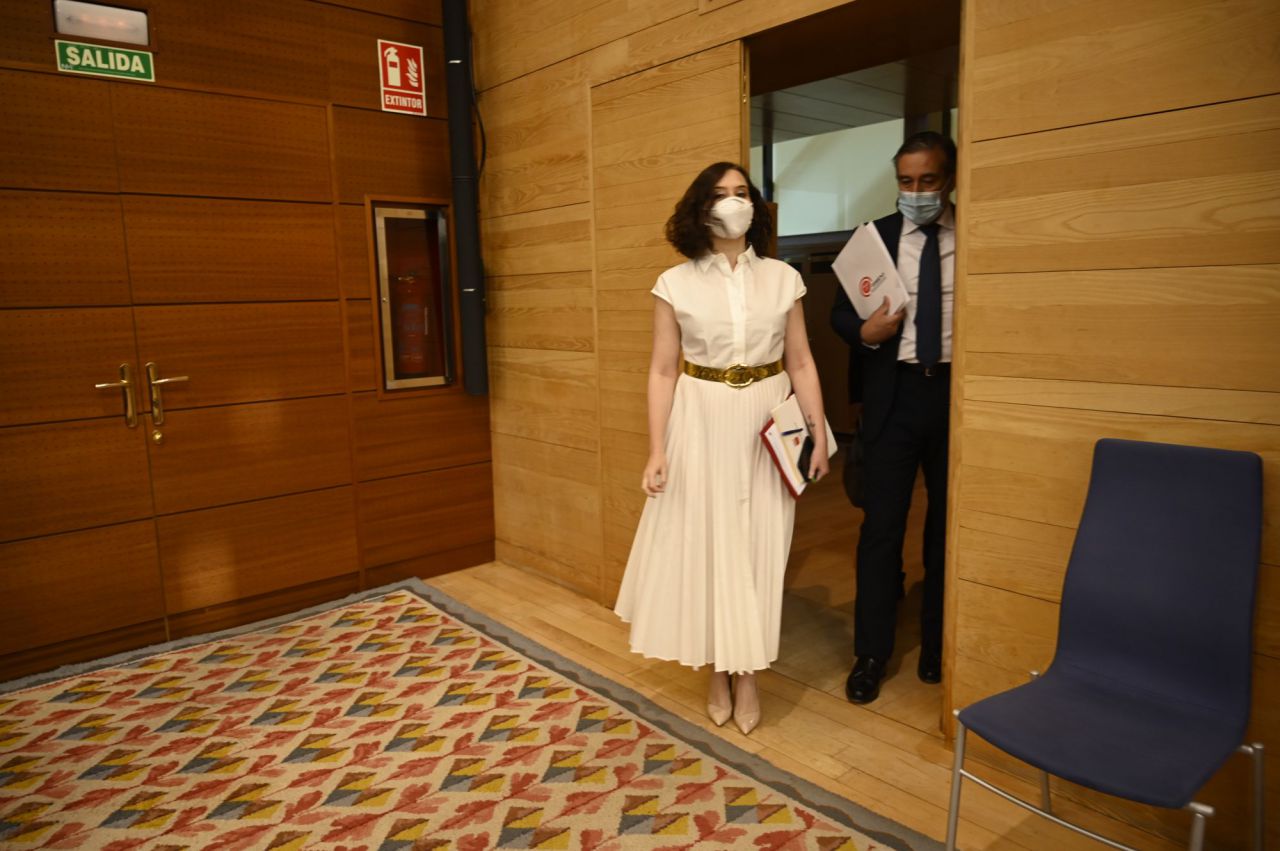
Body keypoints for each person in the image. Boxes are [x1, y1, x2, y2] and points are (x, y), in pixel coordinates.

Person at [614, 162, 829, 736]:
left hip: (768, 413)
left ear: (755, 206)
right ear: (700, 208)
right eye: (720, 195)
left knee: (761, 547)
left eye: (742, 194)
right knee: (709, 546)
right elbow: (662, 370)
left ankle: (749, 672)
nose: (734, 203)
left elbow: (802, 360)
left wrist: (818, 432)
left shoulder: (784, 278)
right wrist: (657, 449)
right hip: (700, 413)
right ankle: (716, 668)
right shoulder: (674, 283)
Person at [831, 131, 956, 704]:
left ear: (949, 179)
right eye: (905, 182)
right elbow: (838, 314)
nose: (915, 193)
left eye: (927, 181)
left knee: (945, 531)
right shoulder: (872, 239)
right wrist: (864, 333)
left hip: (957, 398)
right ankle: (872, 652)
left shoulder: (975, 236)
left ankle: (936, 643)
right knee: (881, 530)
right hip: (894, 398)